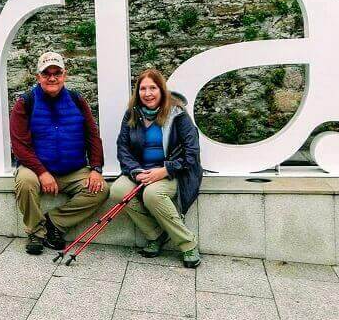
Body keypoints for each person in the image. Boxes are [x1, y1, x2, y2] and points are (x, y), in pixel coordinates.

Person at [11, 51, 109, 255]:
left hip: (73, 170)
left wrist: (96, 168)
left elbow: (92, 135)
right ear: (38, 77)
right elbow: (19, 145)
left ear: (65, 75)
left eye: (57, 73)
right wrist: (42, 172)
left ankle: (53, 222)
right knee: (25, 182)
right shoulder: (25, 102)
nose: (52, 78)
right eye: (47, 74)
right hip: (36, 168)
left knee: (101, 190)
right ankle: (35, 233)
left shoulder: (77, 100)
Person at [111, 68, 203, 267]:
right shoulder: (132, 114)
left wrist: (165, 170)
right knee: (118, 190)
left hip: (174, 173)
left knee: (152, 194)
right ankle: (156, 235)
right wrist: (136, 171)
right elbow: (123, 148)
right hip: (141, 171)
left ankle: (188, 243)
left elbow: (192, 153)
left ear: (162, 90)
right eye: (143, 89)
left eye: (153, 87)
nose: (148, 93)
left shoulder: (178, 115)